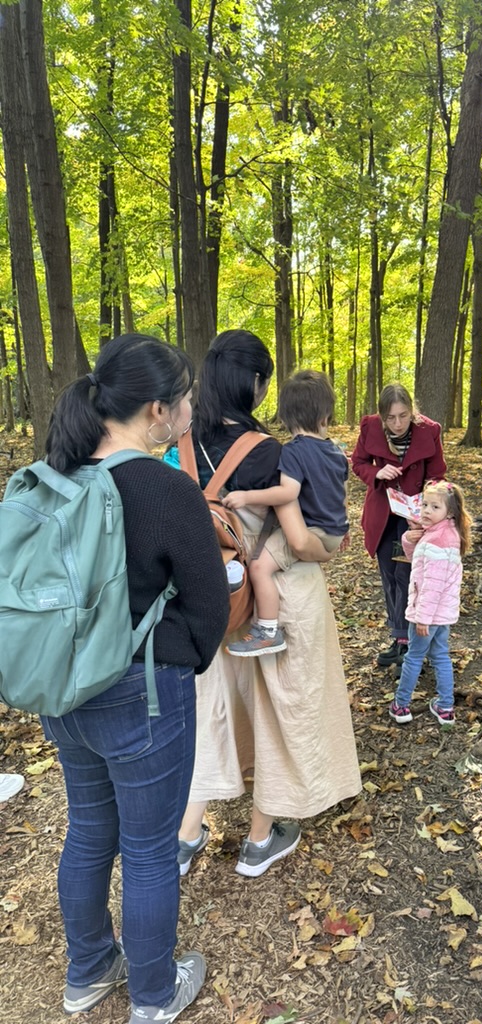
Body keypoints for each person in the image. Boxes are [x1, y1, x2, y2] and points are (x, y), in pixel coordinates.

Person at [39, 334, 230, 1023]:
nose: (191, 410)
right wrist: (183, 654)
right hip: (140, 691)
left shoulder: (54, 476)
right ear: (158, 410)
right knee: (150, 850)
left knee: (90, 830)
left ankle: (87, 971)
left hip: (60, 688)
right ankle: (153, 994)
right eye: (185, 402)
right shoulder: (165, 489)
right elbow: (209, 608)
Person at [177, 331, 361, 880]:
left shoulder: (176, 443)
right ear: (255, 384)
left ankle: (185, 838)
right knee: (276, 712)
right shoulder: (269, 453)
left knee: (213, 713)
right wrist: (332, 544)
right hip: (268, 604)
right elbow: (301, 542)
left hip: (203, 604)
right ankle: (259, 839)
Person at [222, 370, 348, 657]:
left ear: (287, 416)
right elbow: (340, 493)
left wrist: (246, 497)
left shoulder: (293, 452)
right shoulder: (337, 452)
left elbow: (288, 493)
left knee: (258, 568)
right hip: (333, 532)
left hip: (311, 532)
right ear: (325, 415)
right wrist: (345, 528)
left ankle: (267, 630)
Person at [351, 384, 446, 669]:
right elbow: (357, 462)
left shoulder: (429, 430)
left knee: (409, 575)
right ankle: (399, 639)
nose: (397, 423)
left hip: (415, 517)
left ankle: (414, 642)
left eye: (403, 416)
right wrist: (377, 472)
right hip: (383, 514)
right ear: (382, 416)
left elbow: (438, 475)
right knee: (390, 575)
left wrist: (426, 501)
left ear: (412, 411)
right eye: (391, 418)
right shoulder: (370, 428)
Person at [388, 479, 471, 726]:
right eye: (425, 504)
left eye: (435, 507)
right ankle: (445, 707)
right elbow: (417, 561)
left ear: (450, 512)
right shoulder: (441, 533)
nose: (426, 511)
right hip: (442, 613)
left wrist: (423, 617)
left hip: (427, 613)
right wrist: (410, 539)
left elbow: (432, 584)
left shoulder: (438, 540)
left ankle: (401, 705)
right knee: (440, 656)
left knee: (414, 657)